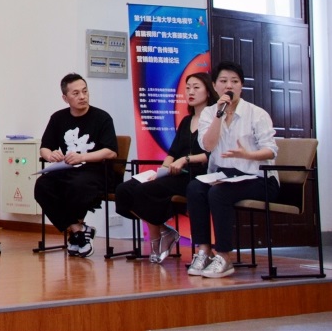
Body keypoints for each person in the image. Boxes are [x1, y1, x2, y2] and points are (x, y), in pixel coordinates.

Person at [186, 61, 279, 278]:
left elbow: (271, 151)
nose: (229, 86)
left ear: (241, 86)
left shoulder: (256, 114)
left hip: (259, 177)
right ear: (215, 86)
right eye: (224, 81)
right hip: (226, 174)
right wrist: (219, 115)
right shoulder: (209, 113)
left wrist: (247, 155)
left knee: (219, 193)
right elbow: (208, 146)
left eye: (234, 81)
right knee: (194, 188)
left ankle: (224, 256)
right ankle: (204, 251)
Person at [114, 72, 217, 263]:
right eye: (187, 88)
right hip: (174, 172)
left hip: (196, 175)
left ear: (208, 92)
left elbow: (212, 154)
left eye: (196, 87)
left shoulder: (214, 121)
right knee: (124, 190)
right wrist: (160, 172)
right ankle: (164, 231)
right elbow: (172, 152)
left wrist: (186, 160)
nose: (190, 92)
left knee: (145, 191)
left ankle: (156, 241)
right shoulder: (186, 121)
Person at [34, 73, 118, 257]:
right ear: (65, 98)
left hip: (96, 171)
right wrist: (51, 155)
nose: (82, 96)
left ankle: (77, 234)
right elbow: (44, 148)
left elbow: (111, 152)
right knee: (42, 185)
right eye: (76, 93)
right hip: (67, 171)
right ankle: (78, 230)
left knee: (77, 185)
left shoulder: (102, 118)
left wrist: (83, 157)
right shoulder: (58, 118)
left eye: (85, 91)